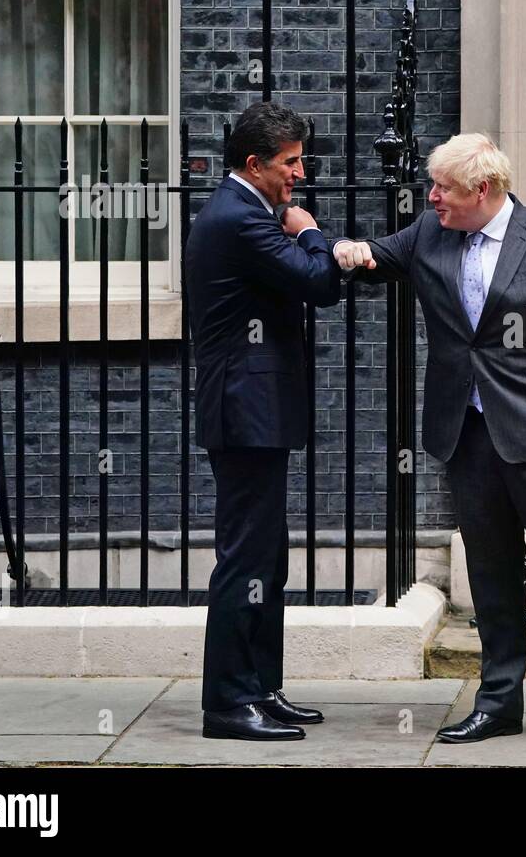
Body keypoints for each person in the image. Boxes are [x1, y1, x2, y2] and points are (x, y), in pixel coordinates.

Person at [334, 133, 526, 749]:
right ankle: (499, 702)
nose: (432, 197)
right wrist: (334, 245)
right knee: (492, 577)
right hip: (468, 433)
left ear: (483, 190)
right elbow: (376, 259)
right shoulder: (429, 232)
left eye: (443, 188)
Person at [186, 101, 345, 741]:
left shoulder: (249, 213)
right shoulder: (241, 219)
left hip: (255, 411)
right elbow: (319, 281)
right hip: (243, 412)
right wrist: (309, 232)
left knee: (267, 559)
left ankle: (261, 689)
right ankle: (227, 703)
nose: (300, 173)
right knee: (245, 559)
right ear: (254, 164)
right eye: (291, 162)